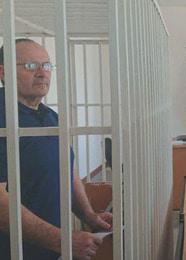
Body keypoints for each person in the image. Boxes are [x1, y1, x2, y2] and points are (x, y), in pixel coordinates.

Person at [0, 39, 112, 260]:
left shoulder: (51, 117)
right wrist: (61, 240)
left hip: (51, 250)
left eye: (47, 65)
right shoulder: (3, 120)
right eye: (31, 66)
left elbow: (67, 172)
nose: (43, 73)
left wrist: (89, 215)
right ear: (3, 73)